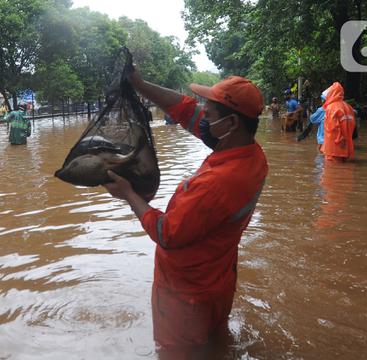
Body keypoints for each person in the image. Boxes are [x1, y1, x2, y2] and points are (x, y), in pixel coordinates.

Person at [102, 71, 268, 352]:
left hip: (184, 297)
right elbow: (185, 110)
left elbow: (165, 232)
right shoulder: (251, 155)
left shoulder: (217, 183)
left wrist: (128, 194)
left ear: (230, 123)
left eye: (210, 111)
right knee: (216, 347)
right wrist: (142, 85)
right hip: (218, 281)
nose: (201, 113)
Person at [322, 82, 356, 162]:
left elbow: (333, 127)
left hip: (334, 148)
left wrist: (340, 141)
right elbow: (353, 126)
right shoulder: (349, 107)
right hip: (347, 147)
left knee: (331, 172)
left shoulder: (331, 108)